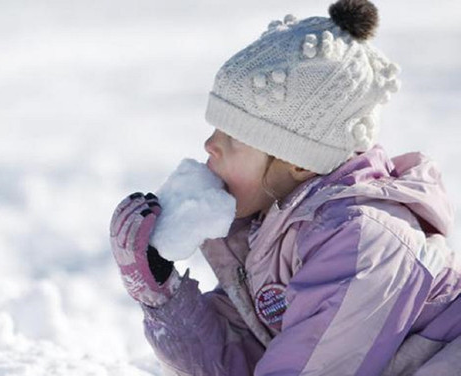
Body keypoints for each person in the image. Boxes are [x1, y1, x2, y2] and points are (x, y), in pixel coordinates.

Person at [109, 0, 461, 375]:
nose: (210, 146)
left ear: (298, 160)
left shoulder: (362, 241)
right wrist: (163, 295)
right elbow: (242, 363)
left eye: (235, 136)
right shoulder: (269, 233)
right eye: (215, 129)